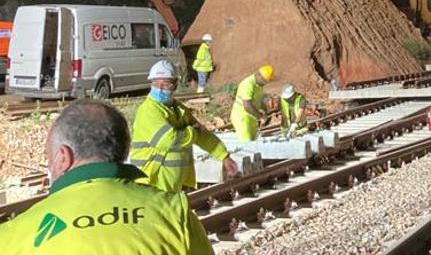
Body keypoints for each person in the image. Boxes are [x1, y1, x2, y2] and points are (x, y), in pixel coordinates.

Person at [0, 100, 213, 254]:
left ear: (63, 157)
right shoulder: (176, 215)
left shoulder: (13, 237)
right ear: (123, 151)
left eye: (50, 157)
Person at [130, 60, 238, 193]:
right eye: (156, 84)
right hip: (151, 179)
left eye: (166, 85)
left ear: (175, 85)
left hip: (169, 182)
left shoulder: (178, 109)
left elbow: (202, 134)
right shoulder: (148, 111)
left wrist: (223, 155)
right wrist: (192, 132)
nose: (160, 89)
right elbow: (168, 141)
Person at [230, 65, 275, 141]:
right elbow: (247, 105)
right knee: (247, 144)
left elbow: (258, 100)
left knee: (254, 141)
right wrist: (260, 116)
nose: (265, 84)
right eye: (264, 81)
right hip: (242, 118)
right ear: (259, 76)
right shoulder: (248, 84)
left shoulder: (259, 85)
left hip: (251, 118)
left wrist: (264, 111)